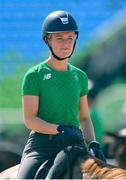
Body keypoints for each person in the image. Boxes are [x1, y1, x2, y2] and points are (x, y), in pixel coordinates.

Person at [17, 10, 106, 179]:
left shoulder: (80, 76)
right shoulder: (34, 75)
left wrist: (93, 143)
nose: (66, 44)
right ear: (48, 40)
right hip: (42, 148)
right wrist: (59, 129)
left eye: (70, 38)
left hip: (76, 146)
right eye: (59, 38)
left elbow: (85, 118)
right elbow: (30, 119)